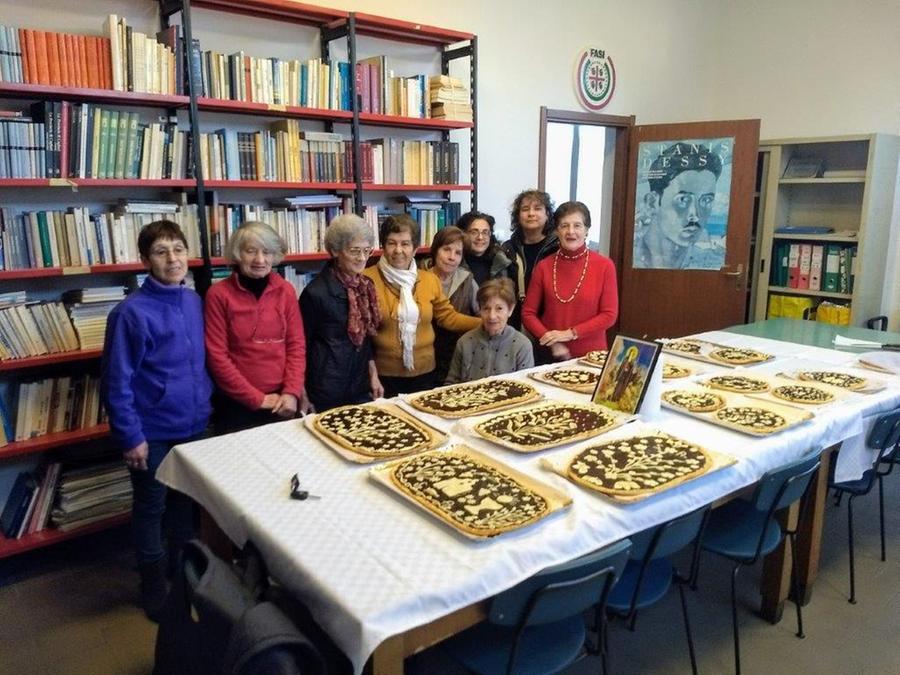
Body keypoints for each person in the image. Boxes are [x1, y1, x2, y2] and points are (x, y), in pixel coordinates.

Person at [101, 220, 213, 622]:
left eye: (179, 250)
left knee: (185, 508)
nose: (173, 259)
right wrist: (131, 436)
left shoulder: (194, 301)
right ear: (146, 260)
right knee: (152, 508)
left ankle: (180, 573)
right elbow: (118, 380)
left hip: (196, 425)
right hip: (152, 432)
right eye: (162, 252)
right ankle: (152, 582)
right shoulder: (130, 313)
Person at [364, 214, 481, 397]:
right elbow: (362, 334)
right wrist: (371, 374)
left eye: (405, 244)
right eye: (392, 243)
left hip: (426, 373)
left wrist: (485, 323)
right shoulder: (366, 279)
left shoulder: (428, 280)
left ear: (415, 248)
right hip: (383, 376)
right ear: (383, 246)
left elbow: (448, 318)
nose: (398, 250)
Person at [205, 221, 306, 433]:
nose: (260, 260)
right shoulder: (218, 295)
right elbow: (217, 357)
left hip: (282, 400)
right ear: (238, 255)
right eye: (251, 251)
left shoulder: (286, 291)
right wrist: (257, 399)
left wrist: (291, 392)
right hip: (235, 404)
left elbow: (296, 346)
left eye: (267, 252)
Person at [299, 214, 384, 412]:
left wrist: (373, 374)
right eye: (354, 251)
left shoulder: (365, 287)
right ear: (336, 250)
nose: (362, 258)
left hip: (360, 385)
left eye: (366, 251)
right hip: (326, 389)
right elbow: (300, 347)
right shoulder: (315, 292)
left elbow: (365, 340)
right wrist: (301, 393)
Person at [521, 201, 618, 362]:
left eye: (577, 226)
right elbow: (528, 313)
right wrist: (552, 340)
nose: (571, 231)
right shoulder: (544, 266)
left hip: (591, 356)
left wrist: (569, 334)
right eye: (564, 226)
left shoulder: (605, 266)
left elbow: (609, 315)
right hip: (551, 355)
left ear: (587, 230)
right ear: (557, 231)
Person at [633, 141, 726, 270]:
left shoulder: (710, 264)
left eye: (706, 200)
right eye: (683, 199)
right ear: (652, 202)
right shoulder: (625, 261)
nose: (695, 215)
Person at [446, 278, 534, 384]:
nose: (492, 316)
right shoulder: (464, 342)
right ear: (480, 309)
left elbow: (527, 387)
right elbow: (450, 385)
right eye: (486, 308)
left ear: (510, 309)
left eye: (499, 308)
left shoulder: (522, 345)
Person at [422, 226, 479, 384]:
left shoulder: (467, 280)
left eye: (458, 253)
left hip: (457, 356)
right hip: (423, 357)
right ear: (435, 250)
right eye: (446, 250)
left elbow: (483, 313)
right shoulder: (418, 278)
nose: (452, 257)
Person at [500, 189, 559, 328]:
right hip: (516, 320)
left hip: (550, 320)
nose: (531, 213)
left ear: (547, 214)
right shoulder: (508, 249)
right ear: (518, 216)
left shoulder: (558, 248)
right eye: (525, 209)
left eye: (537, 209)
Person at [457, 210, 513, 285]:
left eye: (485, 232)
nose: (480, 237)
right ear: (463, 234)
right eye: (474, 232)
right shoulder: (454, 262)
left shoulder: (501, 262)